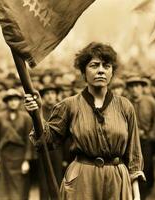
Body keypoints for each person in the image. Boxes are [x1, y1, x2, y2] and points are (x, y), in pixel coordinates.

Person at [24, 42, 145, 200]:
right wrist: (36, 114)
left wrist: (135, 194)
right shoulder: (69, 105)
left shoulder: (125, 106)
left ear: (112, 72)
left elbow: (134, 154)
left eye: (106, 66)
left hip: (116, 181)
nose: (101, 70)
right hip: (81, 181)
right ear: (83, 72)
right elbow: (47, 141)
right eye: (94, 65)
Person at [0, 89, 33, 200]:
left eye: (15, 100)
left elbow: (29, 141)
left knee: (19, 190)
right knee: (2, 190)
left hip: (19, 157)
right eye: (10, 100)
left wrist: (26, 161)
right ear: (6, 102)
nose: (13, 102)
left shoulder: (26, 118)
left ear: (19, 101)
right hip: (3, 156)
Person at [126, 76, 155, 199]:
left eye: (137, 86)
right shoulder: (125, 102)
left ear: (142, 88)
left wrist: (151, 135)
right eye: (132, 87)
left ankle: (146, 192)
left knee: (147, 166)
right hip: (129, 141)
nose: (134, 90)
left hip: (146, 141)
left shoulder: (150, 102)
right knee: (132, 166)